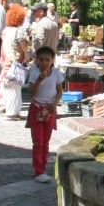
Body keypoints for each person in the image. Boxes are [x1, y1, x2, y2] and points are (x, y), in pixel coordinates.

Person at [26, 46, 64, 179]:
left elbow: (59, 90)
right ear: (37, 60)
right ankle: (39, 170)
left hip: (50, 109)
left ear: (52, 60)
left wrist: (55, 103)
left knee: (46, 142)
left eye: (47, 60)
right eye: (41, 60)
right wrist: (39, 80)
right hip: (37, 108)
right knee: (38, 141)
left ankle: (43, 167)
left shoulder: (57, 74)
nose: (44, 63)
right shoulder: (34, 73)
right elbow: (31, 92)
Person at [0, 4, 32, 121]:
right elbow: (24, 46)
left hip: (7, 59)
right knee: (14, 87)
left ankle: (15, 111)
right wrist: (27, 56)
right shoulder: (18, 31)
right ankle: (11, 113)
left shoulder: (6, 31)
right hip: (16, 61)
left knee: (12, 87)